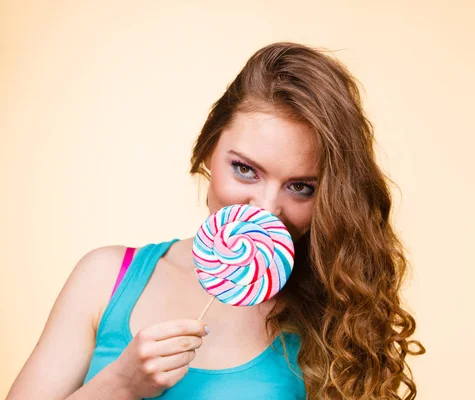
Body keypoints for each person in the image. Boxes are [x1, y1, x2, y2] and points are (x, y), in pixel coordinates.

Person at [7, 42, 425, 400]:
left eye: (301, 187)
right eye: (245, 169)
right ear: (209, 150)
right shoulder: (105, 277)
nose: (264, 209)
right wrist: (120, 384)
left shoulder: (336, 317)